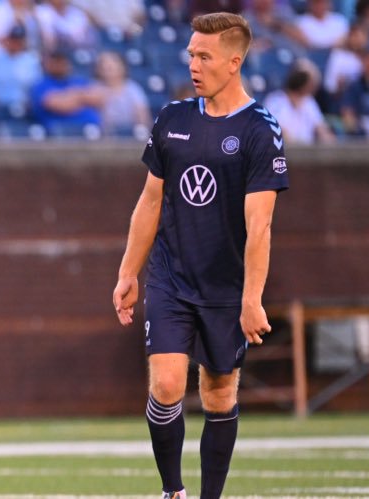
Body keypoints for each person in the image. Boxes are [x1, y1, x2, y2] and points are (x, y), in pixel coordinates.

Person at [111, 13, 288, 499]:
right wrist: (130, 272)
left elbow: (261, 225)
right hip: (171, 277)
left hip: (226, 287)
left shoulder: (260, 131)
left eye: (204, 55)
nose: (193, 63)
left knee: (218, 394)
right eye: (190, 53)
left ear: (234, 63)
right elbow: (150, 201)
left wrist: (251, 298)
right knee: (166, 385)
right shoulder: (173, 119)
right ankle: (173, 492)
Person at [263, 63, 335, 144]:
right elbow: (279, 132)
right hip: (282, 151)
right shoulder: (275, 100)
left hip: (307, 152)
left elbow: (321, 129)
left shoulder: (309, 102)